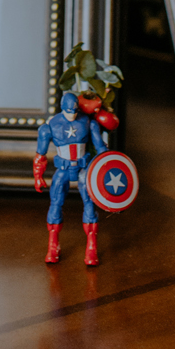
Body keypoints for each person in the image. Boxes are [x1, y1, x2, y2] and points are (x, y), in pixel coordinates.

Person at [34, 89, 108, 266]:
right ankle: (53, 245)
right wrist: (38, 175)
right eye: (69, 111)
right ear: (62, 108)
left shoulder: (88, 122)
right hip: (63, 169)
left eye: (75, 111)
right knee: (55, 204)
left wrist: (106, 170)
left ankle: (91, 247)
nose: (72, 114)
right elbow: (40, 154)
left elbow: (101, 149)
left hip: (83, 168)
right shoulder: (51, 125)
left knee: (89, 204)